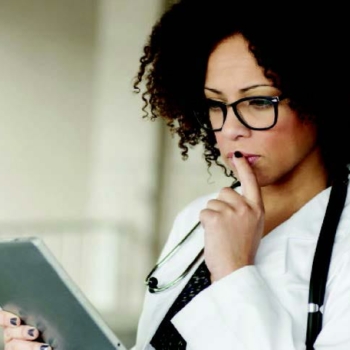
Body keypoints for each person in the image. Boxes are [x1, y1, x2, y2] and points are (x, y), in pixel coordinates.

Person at [1, 0, 350, 349]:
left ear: (319, 99)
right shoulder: (198, 217)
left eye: (258, 102)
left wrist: (233, 271)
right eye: (216, 105)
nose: (229, 129)